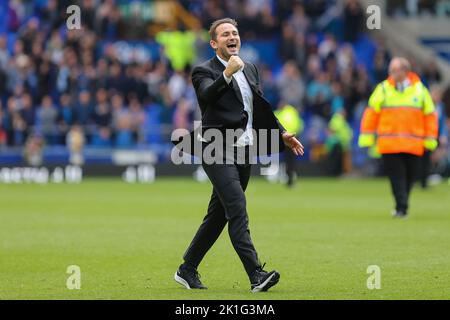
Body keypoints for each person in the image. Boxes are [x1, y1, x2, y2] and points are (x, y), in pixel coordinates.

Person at [174, 18, 304, 292]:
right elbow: (207, 96)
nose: (232, 37)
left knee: (218, 216)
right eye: (225, 34)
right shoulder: (203, 70)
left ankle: (187, 269)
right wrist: (227, 74)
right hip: (214, 148)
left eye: (234, 33)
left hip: (245, 150)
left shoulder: (252, 68)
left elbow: (260, 108)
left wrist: (280, 133)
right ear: (214, 43)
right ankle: (256, 274)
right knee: (237, 208)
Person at [358, 57, 438, 218]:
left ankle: (402, 204)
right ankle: (402, 207)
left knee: (410, 177)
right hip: (390, 142)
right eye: (391, 70)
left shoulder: (420, 90)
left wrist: (430, 139)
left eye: (395, 69)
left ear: (405, 71)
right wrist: (367, 138)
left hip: (413, 143)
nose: (391, 73)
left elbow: (430, 116)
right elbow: (371, 114)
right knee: (397, 176)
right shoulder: (383, 89)